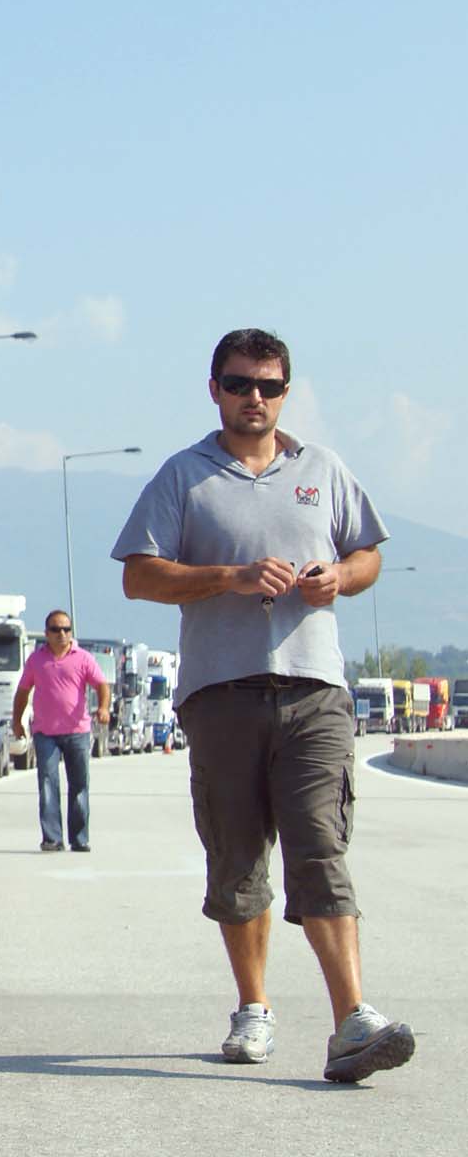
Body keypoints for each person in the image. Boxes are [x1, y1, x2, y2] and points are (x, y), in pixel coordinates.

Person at [114, 327, 413, 1085]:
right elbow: (140, 578)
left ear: (287, 392)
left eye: (270, 385)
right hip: (221, 695)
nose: (256, 397)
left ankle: (351, 1020)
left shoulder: (323, 469)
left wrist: (338, 578)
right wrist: (230, 577)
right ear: (214, 388)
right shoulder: (185, 476)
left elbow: (369, 553)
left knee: (320, 844)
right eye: (241, 383)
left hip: (315, 692)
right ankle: (254, 1008)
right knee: (239, 857)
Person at [11, 612, 109, 850]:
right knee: (47, 783)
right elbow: (23, 692)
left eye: (66, 629)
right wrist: (17, 722)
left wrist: (104, 708)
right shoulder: (36, 660)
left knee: (79, 786)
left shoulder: (83, 658)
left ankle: (79, 839)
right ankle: (52, 838)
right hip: (45, 732)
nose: (62, 634)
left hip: (78, 731)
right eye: (56, 629)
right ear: (47, 633)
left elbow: (101, 685)